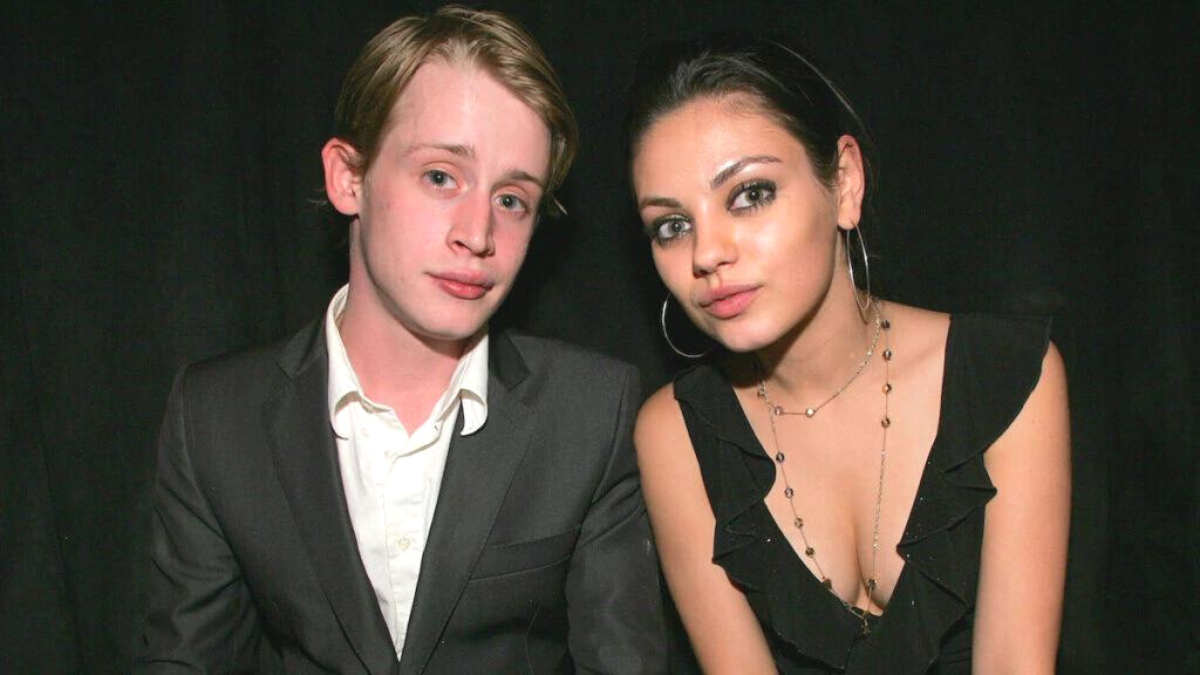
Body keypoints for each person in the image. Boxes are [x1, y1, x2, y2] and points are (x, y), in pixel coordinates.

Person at [135, 7, 665, 673]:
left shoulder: (591, 409)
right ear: (347, 178)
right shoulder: (216, 416)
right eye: (441, 176)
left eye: (513, 199)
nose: (478, 233)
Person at [627, 35, 1070, 674]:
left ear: (844, 181)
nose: (706, 254)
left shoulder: (1006, 377)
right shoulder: (675, 434)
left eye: (749, 195)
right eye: (672, 225)